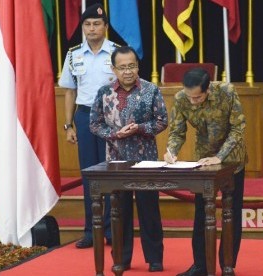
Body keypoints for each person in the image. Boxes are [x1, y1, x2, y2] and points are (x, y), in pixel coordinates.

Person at [90, 46, 167, 272]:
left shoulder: (150, 90)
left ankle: (155, 259)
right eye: (122, 67)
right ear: (113, 69)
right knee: (119, 211)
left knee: (149, 210)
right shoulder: (104, 92)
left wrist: (140, 128)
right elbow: (94, 124)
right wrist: (115, 134)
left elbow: (162, 120)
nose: (127, 72)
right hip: (117, 161)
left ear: (138, 66)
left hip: (147, 161)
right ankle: (121, 258)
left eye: (132, 66)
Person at [164, 68, 247, 276]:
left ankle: (227, 265)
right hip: (203, 161)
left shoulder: (226, 92)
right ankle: (200, 265)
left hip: (231, 159)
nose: (193, 101)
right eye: (190, 96)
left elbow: (238, 128)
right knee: (201, 213)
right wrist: (171, 151)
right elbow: (177, 131)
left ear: (208, 89)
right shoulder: (182, 98)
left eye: (198, 97)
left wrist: (220, 157)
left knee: (231, 213)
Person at [58, 3, 118, 249]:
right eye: (87, 24)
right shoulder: (74, 54)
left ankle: (112, 230)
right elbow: (70, 92)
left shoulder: (117, 52)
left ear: (105, 27)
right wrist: (68, 125)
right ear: (82, 27)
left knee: (112, 173)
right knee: (88, 174)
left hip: (112, 117)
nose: (91, 28)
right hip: (84, 117)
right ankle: (91, 232)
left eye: (96, 24)